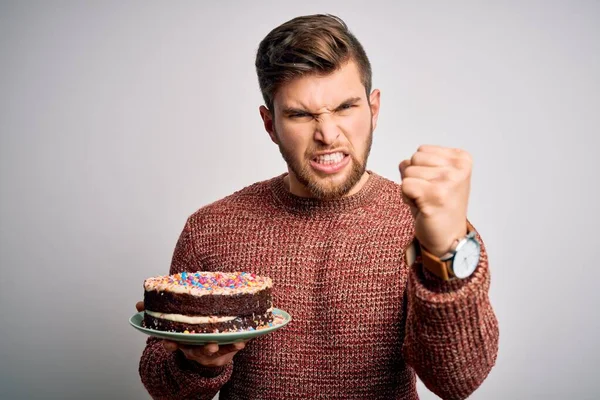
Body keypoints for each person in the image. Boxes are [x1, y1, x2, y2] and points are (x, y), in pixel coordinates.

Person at [137, 14, 499, 400]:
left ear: (373, 110)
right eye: (300, 114)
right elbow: (162, 384)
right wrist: (197, 362)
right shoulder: (211, 228)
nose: (327, 134)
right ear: (270, 124)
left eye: (345, 107)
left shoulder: (429, 226)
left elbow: (458, 381)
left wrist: (444, 252)